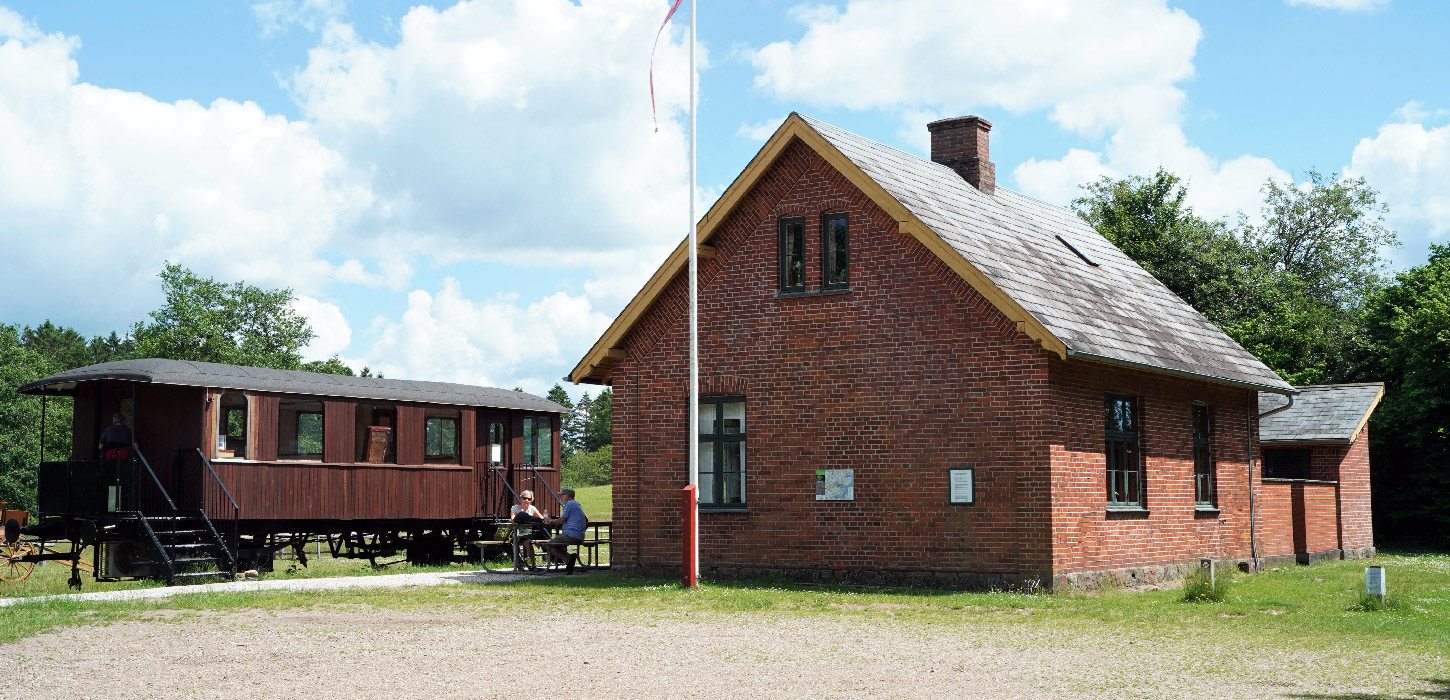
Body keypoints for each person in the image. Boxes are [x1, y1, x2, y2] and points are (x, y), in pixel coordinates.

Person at [545, 488, 587, 574]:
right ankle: (569, 563)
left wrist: (550, 521)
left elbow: (561, 520)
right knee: (555, 547)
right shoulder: (576, 504)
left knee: (550, 545)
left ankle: (569, 559)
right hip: (579, 535)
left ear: (568, 496)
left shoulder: (569, 504)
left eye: (562, 495)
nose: (560, 497)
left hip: (571, 535)